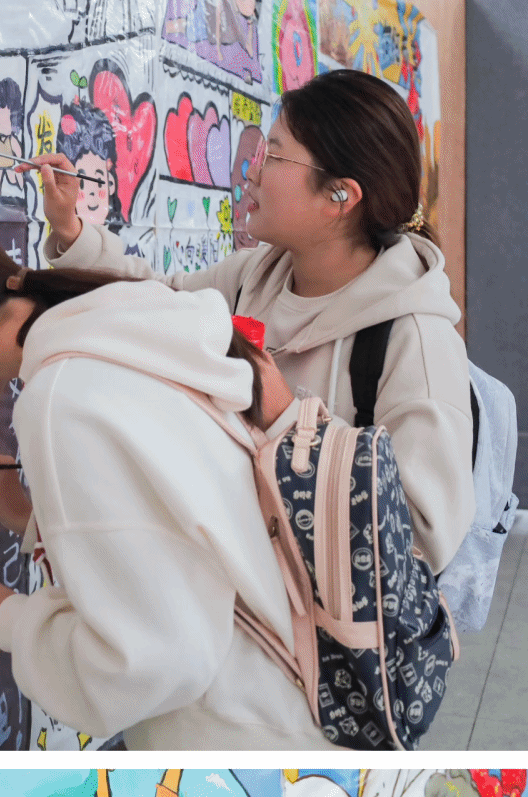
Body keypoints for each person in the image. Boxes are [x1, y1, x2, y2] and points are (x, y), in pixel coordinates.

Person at [0, 219, 323, 749]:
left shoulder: (61, 398)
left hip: (238, 733)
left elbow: (150, 663)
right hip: (282, 703)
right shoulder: (120, 338)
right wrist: (32, 517)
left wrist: (5, 622)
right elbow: (176, 526)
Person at [33, 68, 474, 570]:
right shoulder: (254, 278)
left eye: (275, 156)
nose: (252, 170)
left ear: (340, 197)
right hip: (236, 594)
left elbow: (421, 542)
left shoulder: (414, 340)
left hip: (316, 615)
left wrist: (287, 416)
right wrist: (72, 230)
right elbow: (153, 301)